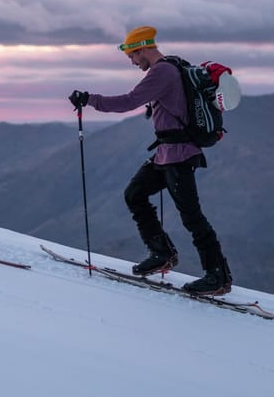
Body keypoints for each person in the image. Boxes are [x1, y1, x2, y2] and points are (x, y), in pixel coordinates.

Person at [68, 26, 232, 295]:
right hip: (166, 154)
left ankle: (218, 275)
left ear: (143, 49)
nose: (133, 62)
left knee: (192, 217)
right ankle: (162, 253)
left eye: (133, 55)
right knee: (135, 194)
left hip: (179, 156)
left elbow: (128, 101)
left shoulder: (162, 72)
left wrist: (90, 100)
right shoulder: (172, 67)